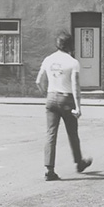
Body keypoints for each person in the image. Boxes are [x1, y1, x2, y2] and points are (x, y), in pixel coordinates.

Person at [35, 32, 92, 181]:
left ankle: (49, 170)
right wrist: (78, 106)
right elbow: (75, 85)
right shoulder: (72, 62)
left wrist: (45, 94)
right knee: (72, 133)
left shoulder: (48, 59)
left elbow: (38, 81)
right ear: (70, 45)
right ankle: (79, 162)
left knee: (50, 134)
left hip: (51, 97)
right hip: (67, 99)